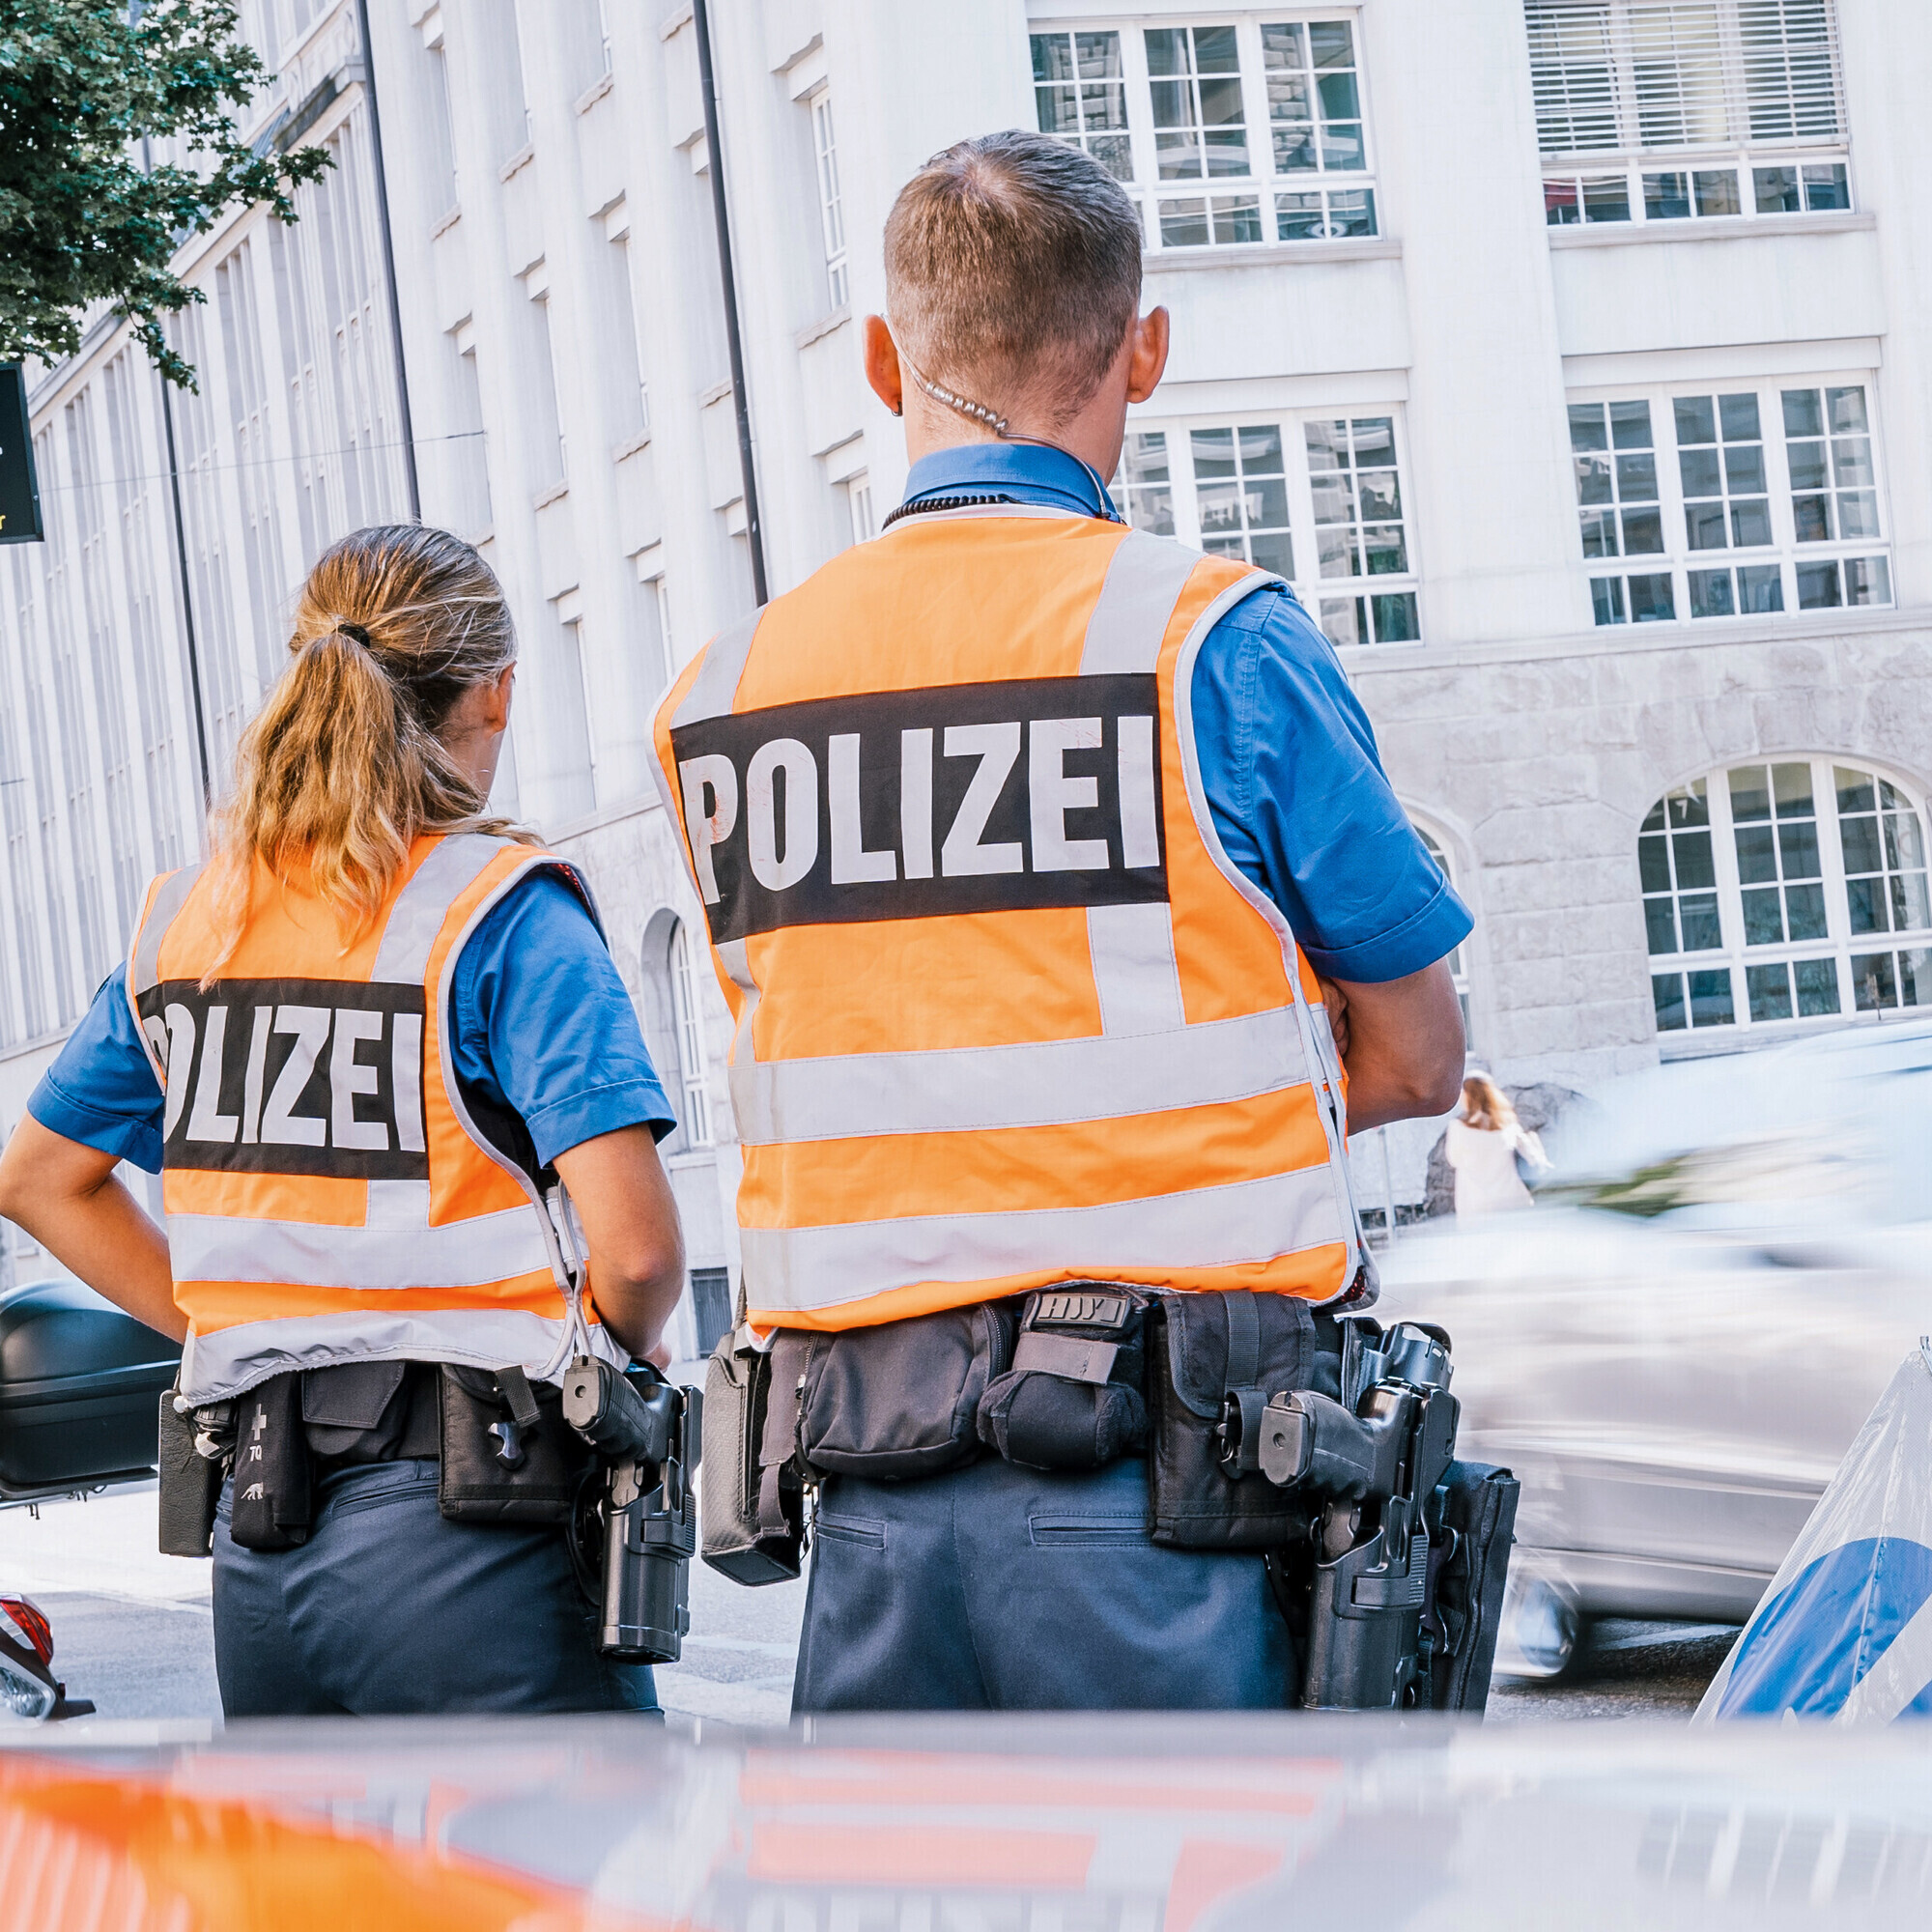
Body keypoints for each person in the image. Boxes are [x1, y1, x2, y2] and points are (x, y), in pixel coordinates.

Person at [652, 130, 1470, 1712]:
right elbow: (1422, 1057)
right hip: (1170, 1509)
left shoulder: (727, 692)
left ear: (885, 365)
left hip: (866, 1493)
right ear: (1144, 350)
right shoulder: (1209, 640)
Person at [0, 526, 687, 1717]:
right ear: (496, 690)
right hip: (479, 1537)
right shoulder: (497, 911)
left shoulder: (193, 928)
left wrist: (234, 1321)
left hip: (259, 1547)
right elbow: (635, 1254)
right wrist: (614, 1342)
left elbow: (40, 1176)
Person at [1445, 1073, 1550, 1217]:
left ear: (1467, 1096)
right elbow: (1534, 1160)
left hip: (1475, 1205)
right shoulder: (1509, 1127)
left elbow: (1454, 1159)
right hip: (1513, 1201)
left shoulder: (1458, 1128)